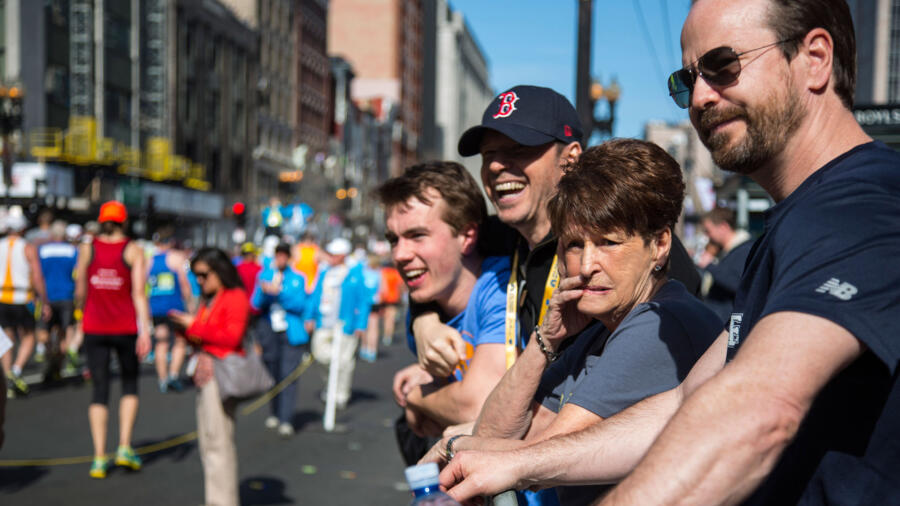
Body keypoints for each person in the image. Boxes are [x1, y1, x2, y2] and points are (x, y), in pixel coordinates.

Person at [439, 1, 900, 504]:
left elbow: (760, 412)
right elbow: (685, 401)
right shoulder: (793, 221)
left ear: (814, 58)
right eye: (687, 81)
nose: (700, 96)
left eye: (724, 66)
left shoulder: (861, 205)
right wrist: (513, 464)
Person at [413, 85, 702, 505]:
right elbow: (427, 259)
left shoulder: (655, 310)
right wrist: (423, 317)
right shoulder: (564, 296)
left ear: (570, 158)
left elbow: (546, 451)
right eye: (571, 245)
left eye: (517, 148)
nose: (585, 265)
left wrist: (459, 445)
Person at [378, 161, 513, 456]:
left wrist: (414, 396)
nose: (399, 254)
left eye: (417, 235)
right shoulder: (427, 304)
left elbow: (476, 405)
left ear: (467, 236)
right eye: (393, 239)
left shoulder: (501, 287)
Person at [74, 201, 151, 479]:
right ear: (124, 221)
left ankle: (98, 457)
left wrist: (78, 321)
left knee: (100, 390)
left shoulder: (87, 248)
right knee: (129, 385)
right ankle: (124, 446)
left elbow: (80, 289)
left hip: (94, 327)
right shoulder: (133, 250)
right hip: (125, 327)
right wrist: (146, 330)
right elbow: (139, 293)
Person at [169, 247, 249, 506]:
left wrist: (193, 325)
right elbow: (204, 334)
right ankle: (215, 500)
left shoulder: (234, 296)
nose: (200, 281)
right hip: (205, 372)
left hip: (221, 373)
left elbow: (231, 337)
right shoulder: (209, 298)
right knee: (209, 444)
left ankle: (223, 501)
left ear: (219, 270)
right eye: (196, 276)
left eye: (203, 275)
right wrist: (184, 329)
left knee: (219, 444)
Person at [251, 242, 314, 438]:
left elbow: (300, 304)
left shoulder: (297, 278)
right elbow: (254, 303)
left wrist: (280, 292)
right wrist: (264, 291)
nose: (281, 258)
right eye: (278, 255)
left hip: (290, 332)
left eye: (284, 255)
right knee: (272, 373)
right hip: (269, 331)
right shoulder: (264, 275)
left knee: (288, 375)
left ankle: (286, 419)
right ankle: (275, 412)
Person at [309, 237, 373, 409]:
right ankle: (331, 385)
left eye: (334, 254)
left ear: (342, 255)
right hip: (324, 322)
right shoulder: (324, 272)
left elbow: (363, 301)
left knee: (344, 362)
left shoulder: (354, 274)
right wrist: (309, 316)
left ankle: (340, 394)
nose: (330, 257)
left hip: (345, 325)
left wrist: (361, 324)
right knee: (321, 355)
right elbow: (315, 296)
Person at [1, 212, 51, 398]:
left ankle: (7, 376)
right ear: (22, 228)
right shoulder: (27, 247)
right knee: (29, 336)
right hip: (22, 298)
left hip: (2, 297)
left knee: (7, 338)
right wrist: (44, 300)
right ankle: (16, 370)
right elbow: (37, 276)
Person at [147, 225, 193, 392]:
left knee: (161, 343)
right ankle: (173, 375)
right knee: (180, 341)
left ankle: (162, 379)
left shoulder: (149, 260)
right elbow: (184, 283)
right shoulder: (176, 257)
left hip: (156, 307)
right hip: (174, 307)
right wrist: (189, 303)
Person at [36, 220, 79, 381]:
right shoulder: (72, 251)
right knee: (62, 333)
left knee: (43, 332)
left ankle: (48, 360)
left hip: (46, 296)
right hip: (66, 296)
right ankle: (58, 368)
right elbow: (77, 273)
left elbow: (37, 274)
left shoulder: (42, 250)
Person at [698, 207, 754, 324]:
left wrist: (710, 266)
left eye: (708, 231)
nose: (707, 236)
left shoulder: (744, 251)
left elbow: (738, 283)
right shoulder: (729, 251)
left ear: (723, 227)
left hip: (728, 325)